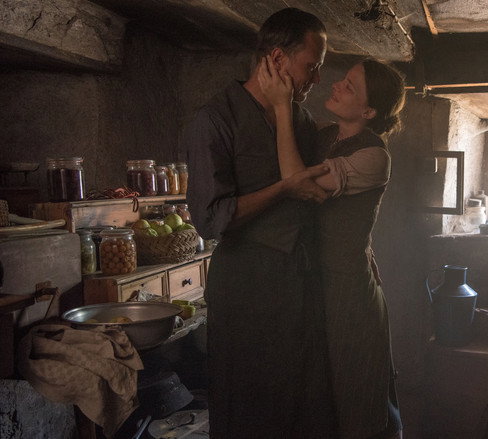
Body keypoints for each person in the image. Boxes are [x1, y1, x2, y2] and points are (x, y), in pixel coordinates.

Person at [182, 8, 337, 438]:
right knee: (249, 410)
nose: (317, 78)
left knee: (302, 409)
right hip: (246, 287)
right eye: (312, 66)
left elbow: (315, 200)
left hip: (300, 281)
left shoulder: (300, 119)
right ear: (277, 58)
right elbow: (210, 219)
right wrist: (283, 189)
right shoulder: (215, 119)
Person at [258, 55, 406, 438]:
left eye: (349, 86)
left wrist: (282, 106)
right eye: (344, 79)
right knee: (320, 399)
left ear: (369, 111)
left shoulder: (374, 156)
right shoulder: (325, 135)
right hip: (315, 282)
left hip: (348, 292)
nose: (336, 85)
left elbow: (296, 182)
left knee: (356, 399)